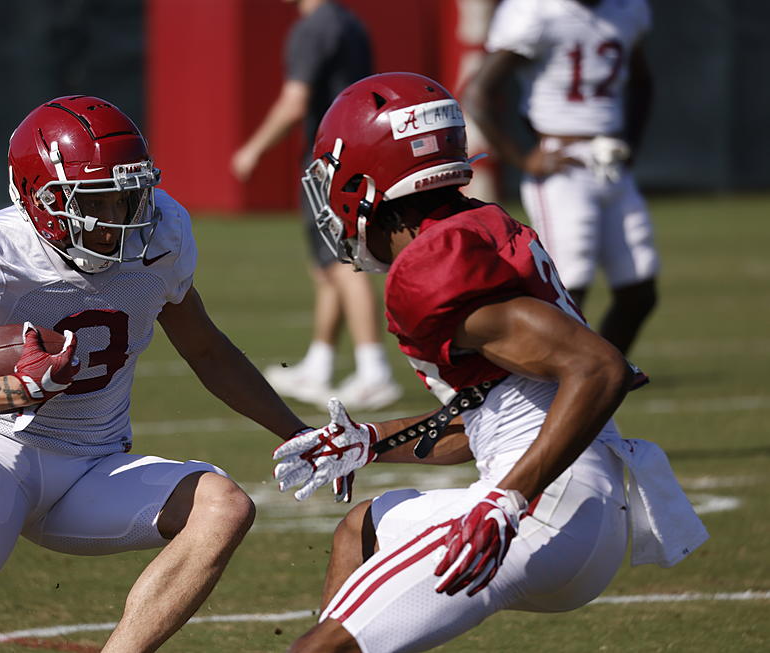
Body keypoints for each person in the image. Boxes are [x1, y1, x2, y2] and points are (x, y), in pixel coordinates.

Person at [0, 95, 311, 653]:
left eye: (128, 193)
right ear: (41, 200)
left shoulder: (158, 236)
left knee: (225, 506)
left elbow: (207, 350)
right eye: (99, 200)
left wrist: (295, 432)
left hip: (96, 463)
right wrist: (16, 388)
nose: (121, 217)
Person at [272, 73, 707, 653]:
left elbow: (599, 368)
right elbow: (497, 413)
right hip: (578, 505)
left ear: (364, 181)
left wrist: (508, 498)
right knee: (364, 527)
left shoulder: (430, 266)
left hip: (546, 510)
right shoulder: (470, 232)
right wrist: (372, 441)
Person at [231, 0, 401, 410]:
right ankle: (320, 363)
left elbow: (294, 102)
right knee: (327, 265)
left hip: (331, 162)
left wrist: (252, 150)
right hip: (355, 156)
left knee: (344, 264)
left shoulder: (314, 27)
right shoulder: (351, 24)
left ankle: (374, 370)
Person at [463, 0, 657, 356]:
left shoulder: (626, 8)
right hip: (561, 165)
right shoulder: (537, 12)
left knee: (639, 288)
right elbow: (477, 94)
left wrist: (630, 143)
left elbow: (643, 82)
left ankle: (605, 375)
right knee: (569, 285)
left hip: (611, 163)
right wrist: (522, 158)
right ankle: (555, 381)